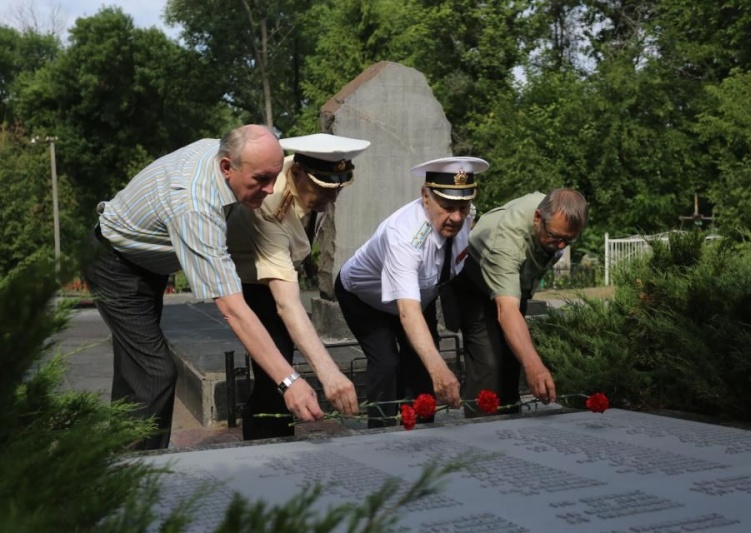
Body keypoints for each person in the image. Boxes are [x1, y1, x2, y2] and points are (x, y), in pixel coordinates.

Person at [82, 125, 326, 449]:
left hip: (145, 265)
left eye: (274, 176)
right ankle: (138, 481)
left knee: (135, 374)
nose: (270, 189)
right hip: (116, 266)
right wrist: (289, 381)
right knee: (155, 373)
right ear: (228, 167)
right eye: (261, 180)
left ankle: (119, 461)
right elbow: (233, 311)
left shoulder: (232, 155)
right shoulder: (194, 206)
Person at [226, 133, 369, 440]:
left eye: (338, 188)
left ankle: (280, 439)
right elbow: (286, 305)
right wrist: (329, 373)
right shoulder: (268, 204)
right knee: (275, 373)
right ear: (299, 173)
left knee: (282, 362)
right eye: (323, 188)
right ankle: (268, 448)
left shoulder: (312, 182)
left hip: (277, 271)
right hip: (250, 282)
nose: (332, 198)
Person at [334, 157, 489, 427]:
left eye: (463, 207)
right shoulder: (403, 236)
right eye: (448, 207)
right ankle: (380, 432)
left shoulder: (465, 217)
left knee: (421, 364)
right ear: (425, 197)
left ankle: (422, 432)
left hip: (420, 295)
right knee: (386, 364)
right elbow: (407, 312)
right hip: (366, 298)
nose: (456, 217)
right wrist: (439, 368)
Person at [451, 188, 588, 416]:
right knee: (489, 364)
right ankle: (479, 431)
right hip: (475, 285)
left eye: (569, 240)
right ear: (537, 218)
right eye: (555, 237)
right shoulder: (505, 241)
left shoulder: (555, 218)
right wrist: (534, 366)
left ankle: (511, 425)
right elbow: (507, 310)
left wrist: (527, 360)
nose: (561, 246)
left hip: (517, 285)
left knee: (513, 360)